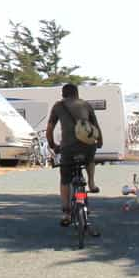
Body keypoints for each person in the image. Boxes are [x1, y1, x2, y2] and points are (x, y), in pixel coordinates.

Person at [46, 83, 101, 226]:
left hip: (68, 148)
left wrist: (52, 145)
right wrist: (99, 142)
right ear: (77, 93)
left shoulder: (58, 106)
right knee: (90, 159)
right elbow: (95, 126)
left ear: (63, 94)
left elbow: (50, 128)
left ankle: (66, 213)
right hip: (87, 146)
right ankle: (91, 182)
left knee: (65, 178)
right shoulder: (86, 105)